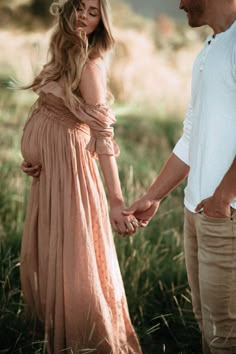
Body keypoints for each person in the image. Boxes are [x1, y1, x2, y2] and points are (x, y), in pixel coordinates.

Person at [20, 0, 143, 353]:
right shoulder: (61, 56)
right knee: (53, 256)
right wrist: (32, 154)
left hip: (71, 174)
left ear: (101, 20)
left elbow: (103, 136)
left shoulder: (90, 66)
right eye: (79, 8)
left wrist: (117, 201)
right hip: (48, 176)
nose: (83, 18)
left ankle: (88, 341)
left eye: (93, 12)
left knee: (75, 260)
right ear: (67, 10)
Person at [123, 0, 236, 353]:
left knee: (225, 336)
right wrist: (154, 195)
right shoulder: (207, 52)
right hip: (196, 212)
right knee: (207, 326)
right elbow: (190, 135)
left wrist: (222, 199)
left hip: (226, 218)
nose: (180, 3)